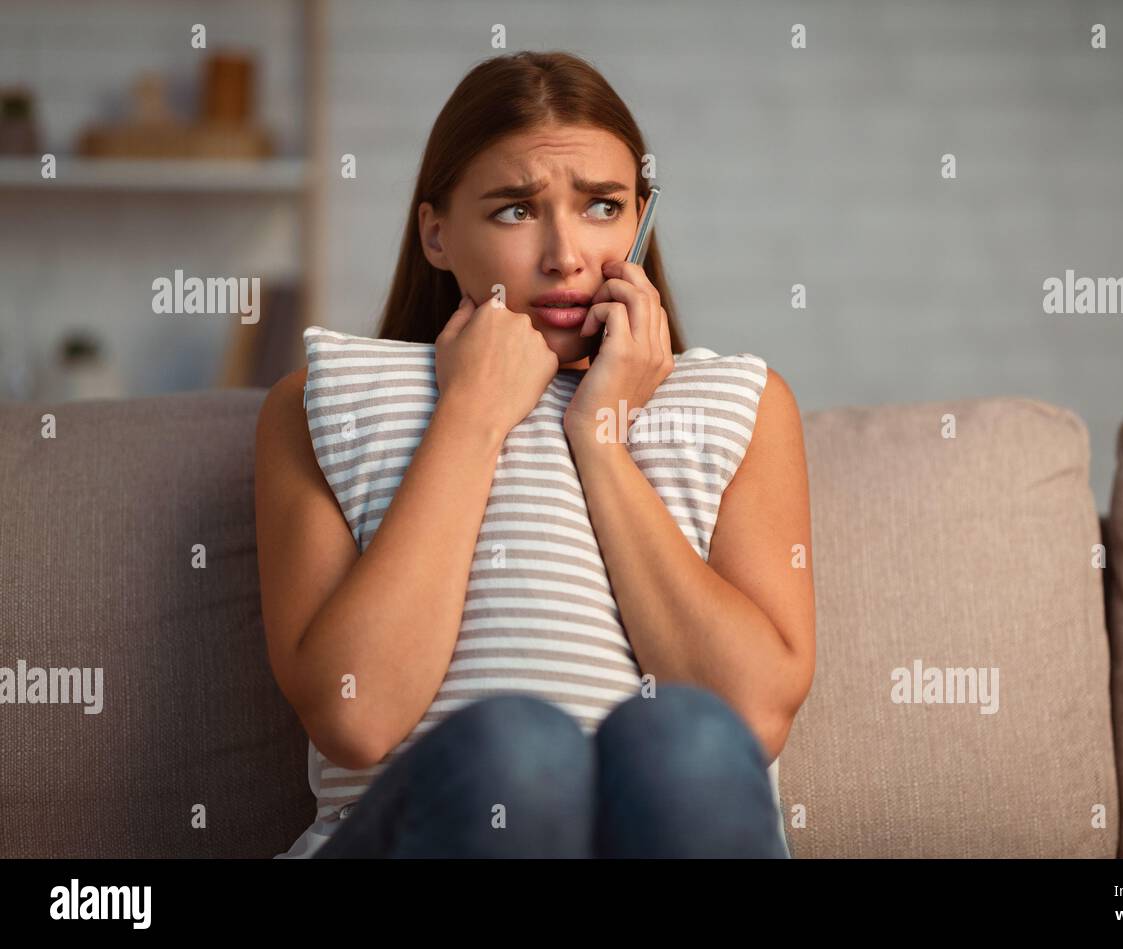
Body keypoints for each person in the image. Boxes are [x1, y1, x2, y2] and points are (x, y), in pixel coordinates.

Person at [254, 50, 815, 858]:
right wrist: (472, 416)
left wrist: (602, 439)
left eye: (602, 207)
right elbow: (356, 714)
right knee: (518, 751)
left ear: (641, 221)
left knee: (688, 739)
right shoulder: (317, 400)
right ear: (436, 233)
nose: (564, 255)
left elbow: (750, 719)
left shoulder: (746, 404)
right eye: (516, 210)